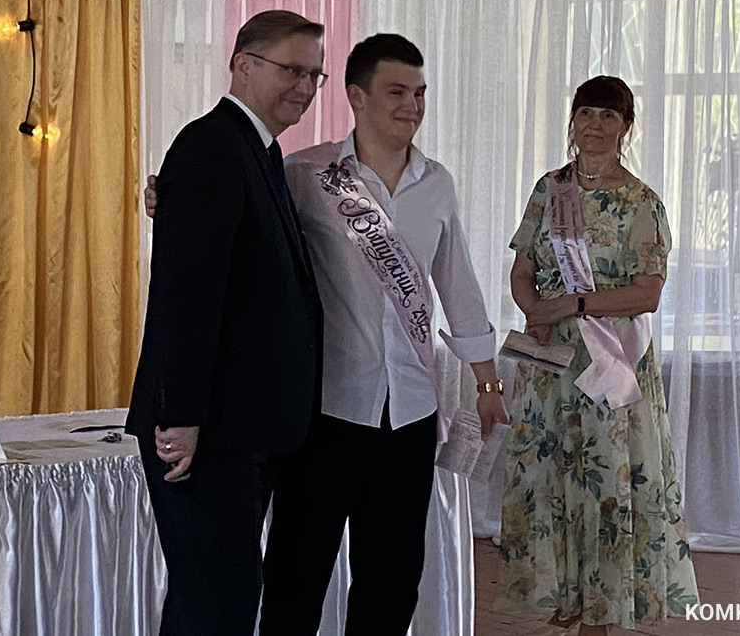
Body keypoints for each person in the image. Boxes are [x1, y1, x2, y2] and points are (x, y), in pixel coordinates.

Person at [146, 33, 508, 636]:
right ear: (356, 96)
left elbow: (459, 287)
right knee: (297, 573)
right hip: (327, 409)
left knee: (393, 575)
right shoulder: (306, 174)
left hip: (411, 411)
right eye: (397, 92)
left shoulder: (437, 183)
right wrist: (171, 197)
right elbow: (239, 220)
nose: (412, 107)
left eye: (420, 94)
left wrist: (487, 382)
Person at [126, 10, 325, 636]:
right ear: (243, 66)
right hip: (207, 427)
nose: (304, 87)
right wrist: (181, 415)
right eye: (292, 70)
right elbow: (185, 295)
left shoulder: (258, 149)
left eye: (314, 75)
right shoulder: (211, 146)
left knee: (218, 598)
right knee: (217, 599)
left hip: (242, 422)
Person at [496, 76, 699, 635]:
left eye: (609, 115)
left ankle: (604, 605)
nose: (595, 124)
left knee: (604, 478)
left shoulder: (641, 202)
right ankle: (565, 596)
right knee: (551, 474)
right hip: (552, 364)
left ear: (626, 126)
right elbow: (522, 270)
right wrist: (536, 310)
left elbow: (647, 294)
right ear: (572, 120)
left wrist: (571, 304)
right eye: (587, 112)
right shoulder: (549, 189)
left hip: (611, 363)